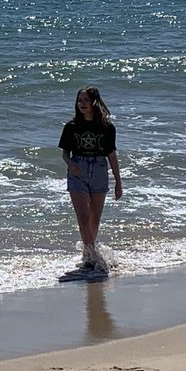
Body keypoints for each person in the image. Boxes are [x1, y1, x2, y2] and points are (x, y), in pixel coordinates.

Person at [58, 86, 122, 271]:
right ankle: (90, 256)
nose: (82, 104)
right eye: (79, 100)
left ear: (95, 102)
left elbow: (111, 155)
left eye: (86, 100)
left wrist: (118, 181)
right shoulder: (71, 127)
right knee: (83, 218)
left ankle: (88, 254)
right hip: (77, 169)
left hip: (99, 169)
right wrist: (70, 164)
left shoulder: (107, 127)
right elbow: (64, 154)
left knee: (95, 219)